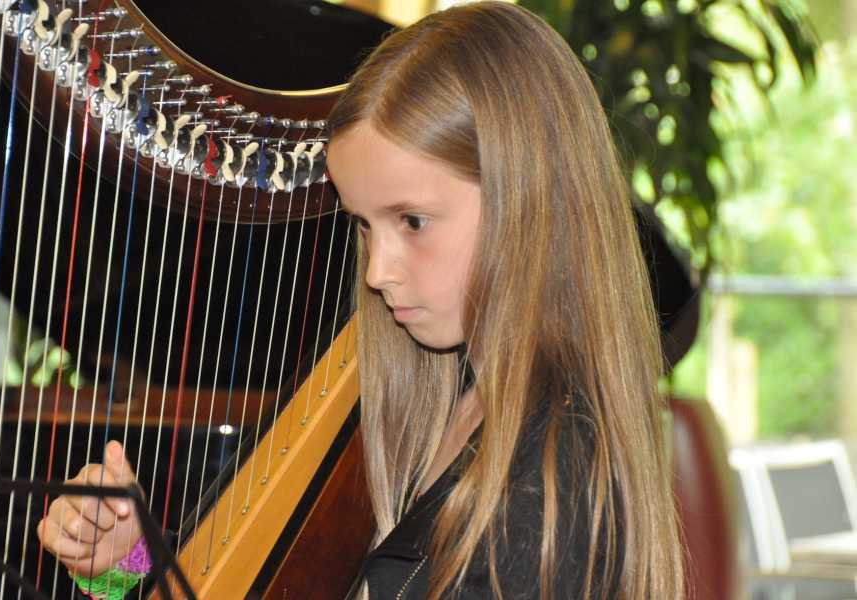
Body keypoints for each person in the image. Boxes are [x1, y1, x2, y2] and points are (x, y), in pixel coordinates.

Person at [38, 2, 685, 598]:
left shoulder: (550, 486)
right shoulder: (453, 403)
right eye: (364, 225)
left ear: (529, 200)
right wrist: (128, 566)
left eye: (412, 221)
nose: (376, 272)